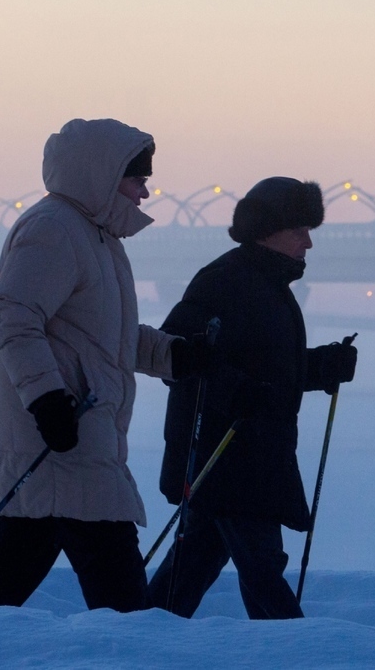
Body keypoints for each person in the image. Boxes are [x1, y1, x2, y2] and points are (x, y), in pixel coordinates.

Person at [0, 118, 207, 612]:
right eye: (137, 180)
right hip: (64, 438)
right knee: (124, 605)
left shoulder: (98, 239)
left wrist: (173, 355)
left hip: (77, 441)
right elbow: (14, 317)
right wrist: (47, 399)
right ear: (104, 177)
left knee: (5, 578)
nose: (145, 193)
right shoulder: (53, 230)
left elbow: (100, 337)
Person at [148, 176, 358, 619]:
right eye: (301, 230)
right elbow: (176, 355)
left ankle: (138, 642)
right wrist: (233, 393)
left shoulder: (268, 285)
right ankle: (291, 652)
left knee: (188, 573)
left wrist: (322, 366)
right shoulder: (223, 281)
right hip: (223, 456)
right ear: (269, 229)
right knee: (262, 569)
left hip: (251, 456)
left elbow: (265, 366)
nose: (308, 244)